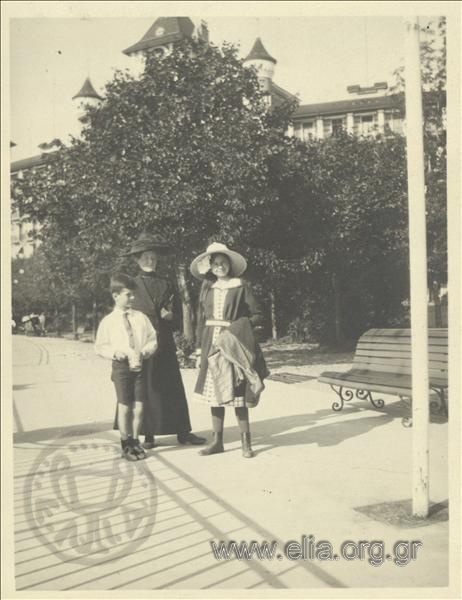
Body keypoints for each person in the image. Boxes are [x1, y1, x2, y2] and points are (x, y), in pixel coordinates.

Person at [121, 233, 206, 449]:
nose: (150, 261)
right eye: (146, 258)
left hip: (164, 342)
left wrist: (171, 317)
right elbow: (123, 316)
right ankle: (148, 434)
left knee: (172, 387)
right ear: (138, 260)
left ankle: (183, 432)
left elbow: (176, 315)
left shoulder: (166, 283)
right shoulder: (130, 285)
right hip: (142, 344)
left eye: (153, 258)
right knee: (147, 387)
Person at [190, 242, 269, 458]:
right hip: (210, 343)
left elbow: (258, 314)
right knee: (215, 392)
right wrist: (198, 350)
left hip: (232, 343)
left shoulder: (240, 285)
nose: (219, 267)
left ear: (229, 264)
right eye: (215, 264)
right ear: (210, 267)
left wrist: (237, 328)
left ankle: (246, 442)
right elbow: (200, 321)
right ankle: (217, 441)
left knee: (237, 394)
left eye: (223, 263)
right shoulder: (207, 288)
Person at [95, 273, 158, 461]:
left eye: (133, 294)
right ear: (115, 296)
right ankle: (125, 443)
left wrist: (147, 350)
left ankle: (136, 441)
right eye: (128, 295)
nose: (132, 298)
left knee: (139, 406)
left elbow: (152, 338)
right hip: (121, 367)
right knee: (124, 406)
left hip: (139, 365)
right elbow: (100, 346)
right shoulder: (108, 321)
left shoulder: (141, 318)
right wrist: (115, 353)